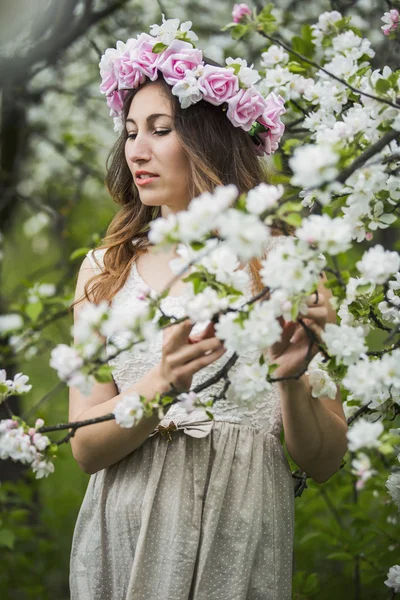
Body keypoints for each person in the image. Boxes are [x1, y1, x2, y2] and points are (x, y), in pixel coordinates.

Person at [68, 18, 348, 600]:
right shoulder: (105, 270)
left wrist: (292, 381)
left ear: (207, 139)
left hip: (240, 531)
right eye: (129, 132)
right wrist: (162, 382)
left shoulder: (284, 263)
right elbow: (86, 449)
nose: (136, 150)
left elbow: (322, 461)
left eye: (160, 130)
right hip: (128, 529)